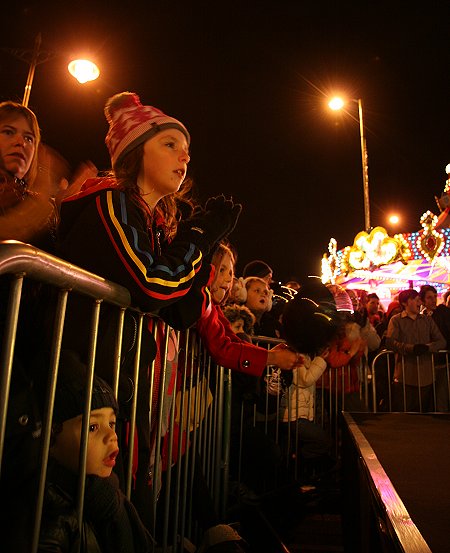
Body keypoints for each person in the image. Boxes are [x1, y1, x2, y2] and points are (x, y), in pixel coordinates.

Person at [56, 92, 241, 527]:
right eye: (170, 144)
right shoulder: (109, 201)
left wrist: (200, 238)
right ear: (136, 152)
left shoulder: (155, 221)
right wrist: (199, 234)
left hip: (121, 375)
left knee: (127, 498)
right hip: (84, 375)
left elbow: (183, 307)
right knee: (99, 508)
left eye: (187, 149)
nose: (185, 156)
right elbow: (154, 286)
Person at [38, 349, 154, 552]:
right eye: (92, 427)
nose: (112, 435)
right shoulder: (52, 519)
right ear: (50, 437)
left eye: (111, 423)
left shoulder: (106, 494)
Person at [280, 295, 338, 480]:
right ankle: (302, 465)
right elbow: (304, 380)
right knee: (323, 441)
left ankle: (302, 472)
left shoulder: (303, 350)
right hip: (293, 414)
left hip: (301, 411)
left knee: (315, 442)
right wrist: (322, 359)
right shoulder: (292, 352)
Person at [386, 288, 446, 411]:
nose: (419, 303)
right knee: (405, 415)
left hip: (426, 376)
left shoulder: (427, 320)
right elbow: (390, 342)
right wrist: (410, 348)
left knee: (425, 417)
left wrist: (427, 348)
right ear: (404, 303)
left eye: (419, 300)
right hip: (405, 376)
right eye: (416, 300)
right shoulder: (396, 320)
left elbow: (441, 341)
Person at [419, 284, 450, 411]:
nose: (433, 300)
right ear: (423, 300)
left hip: (442, 359)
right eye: (429, 298)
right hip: (428, 361)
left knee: (441, 393)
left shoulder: (442, 312)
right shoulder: (422, 316)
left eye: (434, 297)